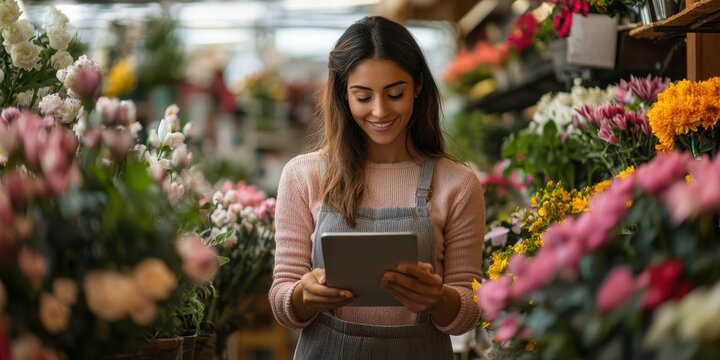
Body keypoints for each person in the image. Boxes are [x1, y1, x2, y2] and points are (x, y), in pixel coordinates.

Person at [269, 15, 485, 359]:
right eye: (363, 96)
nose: (380, 110)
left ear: (417, 86)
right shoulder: (303, 175)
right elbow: (282, 298)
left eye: (394, 93)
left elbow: (468, 311)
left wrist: (439, 299)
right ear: (343, 94)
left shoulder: (458, 183)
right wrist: (302, 296)